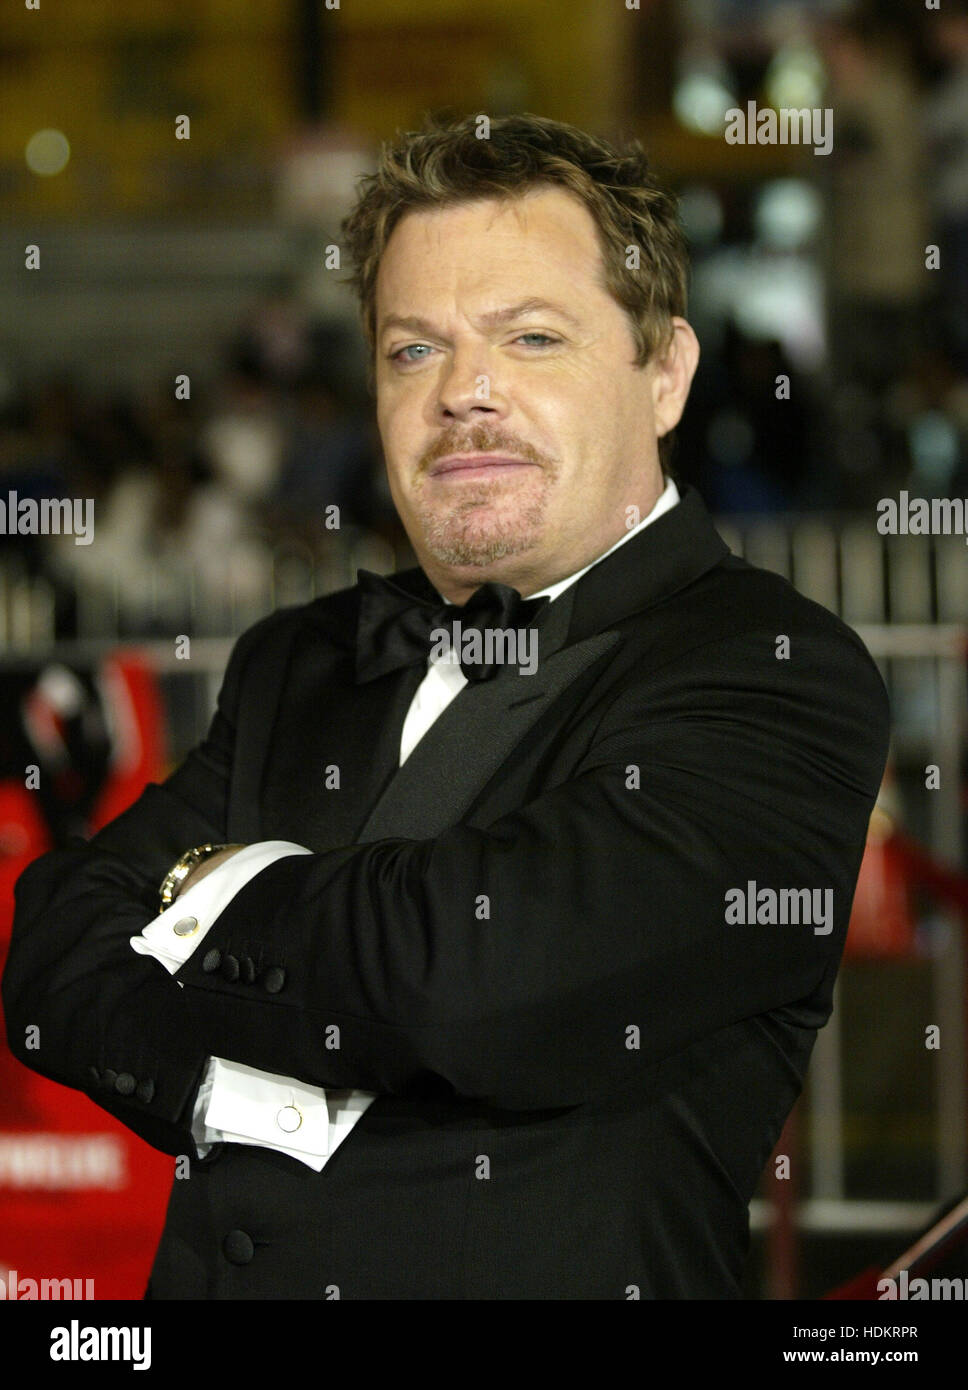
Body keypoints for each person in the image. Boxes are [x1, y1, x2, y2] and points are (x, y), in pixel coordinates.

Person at [2, 113, 891, 1300]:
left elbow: (482, 973)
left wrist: (210, 890)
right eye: (412, 351)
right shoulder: (301, 659)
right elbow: (56, 946)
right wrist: (211, 1087)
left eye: (530, 337)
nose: (466, 392)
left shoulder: (776, 670)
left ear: (663, 372)